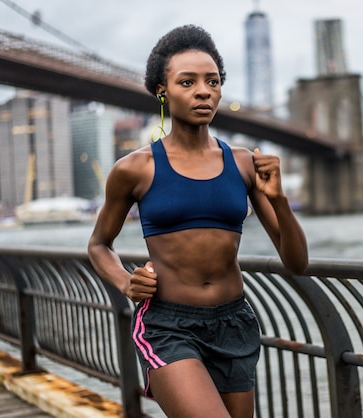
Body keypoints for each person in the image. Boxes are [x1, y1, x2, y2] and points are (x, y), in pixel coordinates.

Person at [87, 24, 308, 418]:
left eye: (213, 81)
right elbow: (99, 243)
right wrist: (126, 282)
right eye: (187, 82)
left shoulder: (243, 163)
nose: (203, 91)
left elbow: (296, 262)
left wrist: (279, 199)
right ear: (162, 90)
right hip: (168, 325)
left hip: (234, 321)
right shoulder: (134, 168)